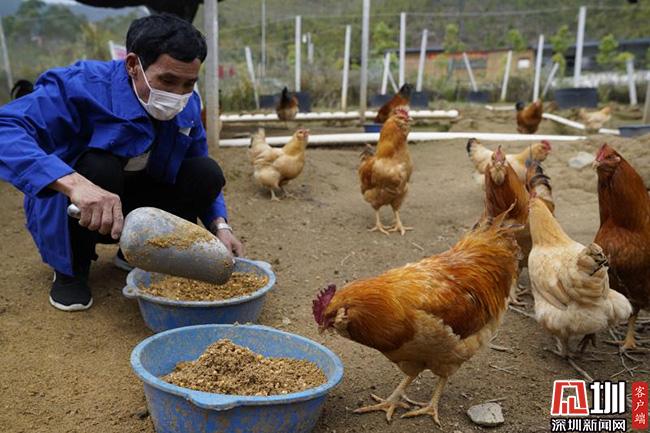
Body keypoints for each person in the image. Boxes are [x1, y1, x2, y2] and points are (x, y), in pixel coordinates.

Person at [0, 14, 243, 312]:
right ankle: (72, 269)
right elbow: (5, 128)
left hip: (135, 201)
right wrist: (74, 184)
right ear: (132, 65)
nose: (177, 94)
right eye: (167, 80)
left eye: (189, 83)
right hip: (79, 207)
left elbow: (196, 160)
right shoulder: (80, 86)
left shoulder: (188, 104)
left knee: (206, 172)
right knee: (98, 166)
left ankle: (139, 253)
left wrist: (220, 225)